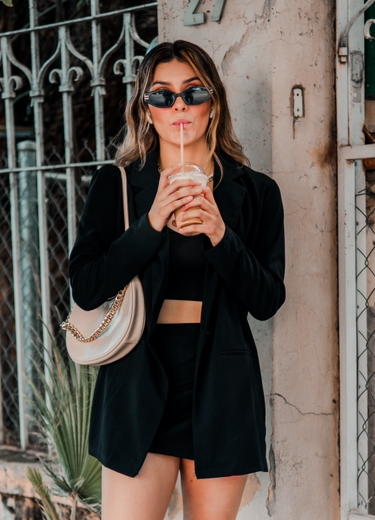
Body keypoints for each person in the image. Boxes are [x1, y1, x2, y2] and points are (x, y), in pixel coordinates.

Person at [69, 39, 286, 520]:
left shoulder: (257, 192)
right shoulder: (117, 184)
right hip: (137, 382)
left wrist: (220, 235)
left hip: (222, 387)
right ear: (146, 109)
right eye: (162, 95)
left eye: (193, 92)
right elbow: (85, 286)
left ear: (214, 102)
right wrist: (150, 224)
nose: (179, 105)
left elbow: (267, 299)